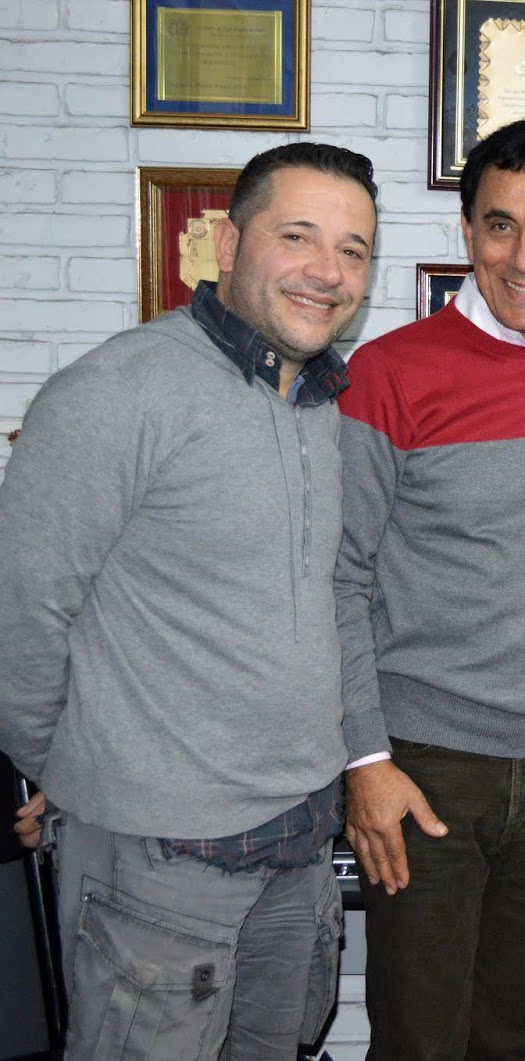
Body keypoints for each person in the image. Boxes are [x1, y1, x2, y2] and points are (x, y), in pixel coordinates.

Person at [0, 141, 377, 1059]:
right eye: (298, 236)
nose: (327, 271)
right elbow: (21, 609)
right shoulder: (118, 390)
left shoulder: (319, 402)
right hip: (156, 861)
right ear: (229, 242)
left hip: (298, 844)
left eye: (353, 250)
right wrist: (64, 765)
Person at [335, 117, 525, 1059]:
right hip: (423, 764)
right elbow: (336, 578)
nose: (524, 257)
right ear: (467, 231)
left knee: (509, 1038)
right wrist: (363, 760)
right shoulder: (388, 373)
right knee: (417, 1040)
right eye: (500, 225)